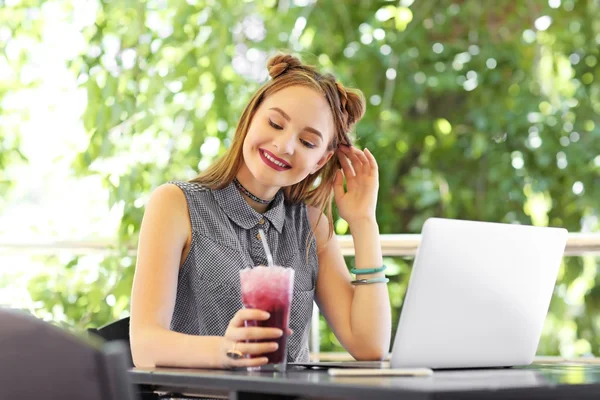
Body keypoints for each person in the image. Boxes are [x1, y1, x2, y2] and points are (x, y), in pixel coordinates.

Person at [130, 54, 391, 370]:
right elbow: (145, 346)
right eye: (275, 123)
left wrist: (364, 223)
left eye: (308, 142)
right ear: (251, 115)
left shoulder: (311, 227)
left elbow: (370, 345)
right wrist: (228, 350)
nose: (284, 145)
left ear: (321, 161)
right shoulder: (175, 204)